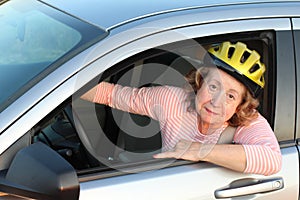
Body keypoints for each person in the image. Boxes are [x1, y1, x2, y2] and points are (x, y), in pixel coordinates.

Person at [81, 41, 282, 176]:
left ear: (240, 105)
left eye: (230, 96)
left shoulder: (247, 121)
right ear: (200, 82)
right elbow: (110, 95)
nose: (216, 102)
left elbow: (272, 160)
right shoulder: (172, 100)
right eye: (213, 87)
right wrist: (64, 85)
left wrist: (199, 151)